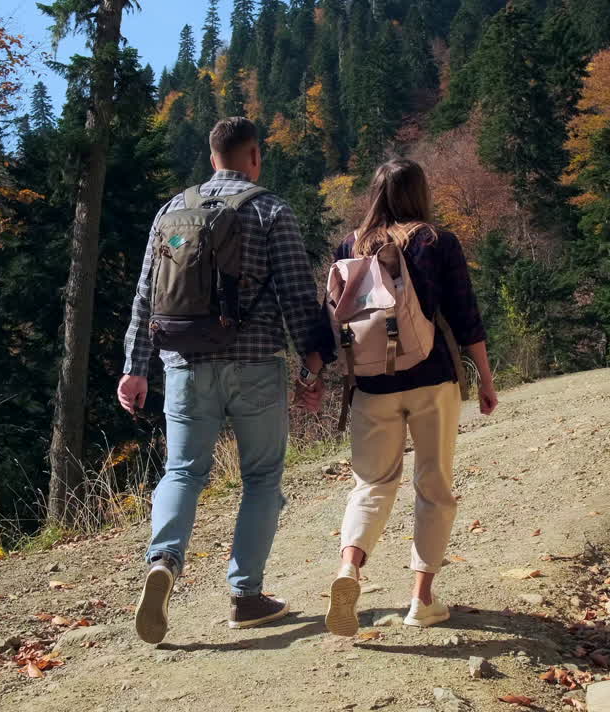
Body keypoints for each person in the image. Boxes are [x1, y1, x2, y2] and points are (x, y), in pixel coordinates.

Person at [119, 117, 333, 644]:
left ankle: (164, 560)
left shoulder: (172, 210)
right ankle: (246, 596)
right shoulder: (271, 210)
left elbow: (146, 296)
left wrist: (135, 367)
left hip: (184, 364)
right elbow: (297, 298)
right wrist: (312, 369)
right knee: (261, 479)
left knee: (182, 472)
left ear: (212, 157)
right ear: (254, 156)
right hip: (255, 363)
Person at [324, 158, 499, 636]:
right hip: (431, 378)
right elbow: (465, 315)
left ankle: (349, 568)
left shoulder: (349, 246)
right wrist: (485, 379)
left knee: (371, 484)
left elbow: (332, 320)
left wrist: (318, 374)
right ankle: (422, 599)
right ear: (420, 193)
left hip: (370, 385)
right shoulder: (436, 241)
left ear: (374, 194)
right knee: (433, 486)